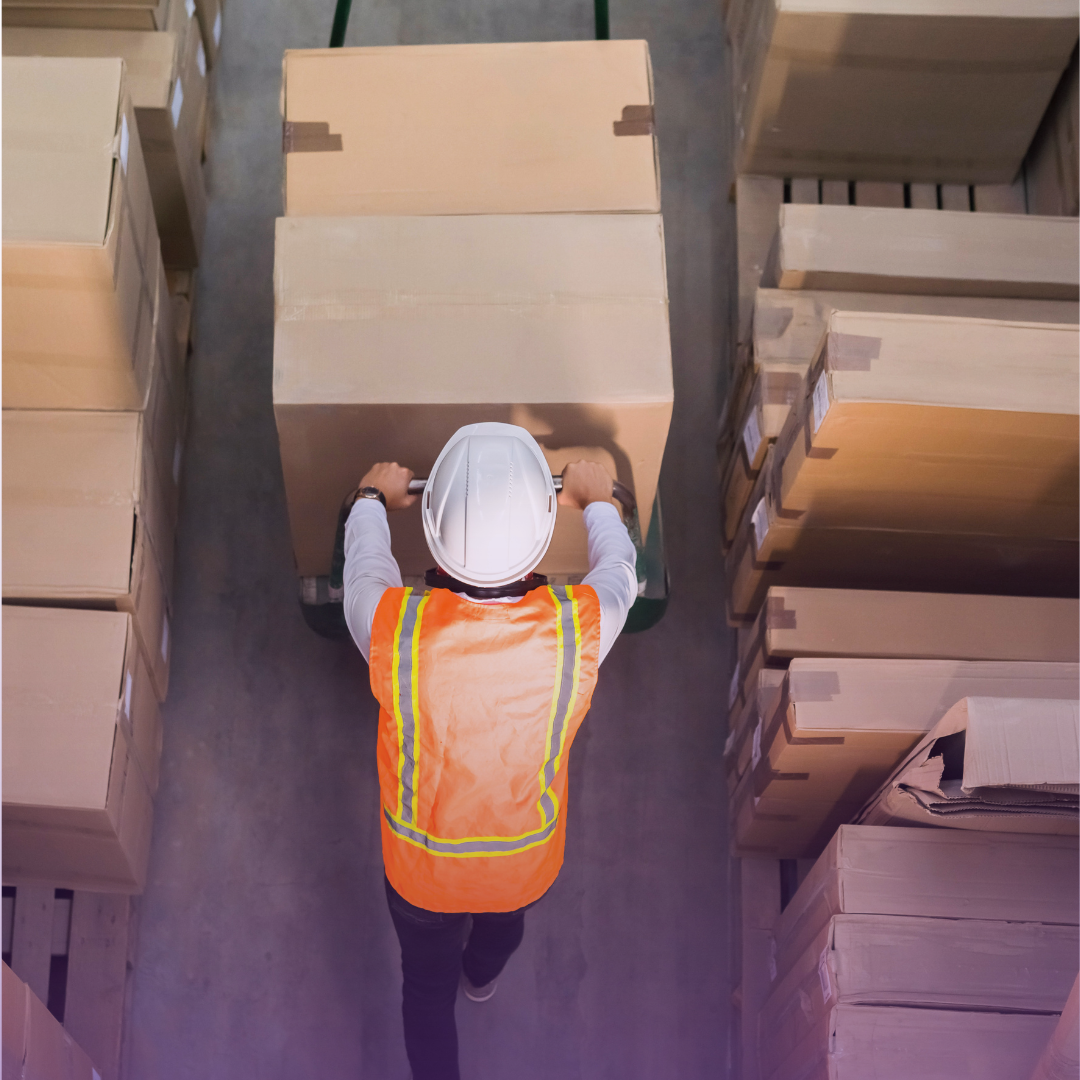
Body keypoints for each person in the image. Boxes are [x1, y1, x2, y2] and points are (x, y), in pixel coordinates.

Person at [342, 422, 638, 1080]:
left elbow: (364, 569)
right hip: (521, 863)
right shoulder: (577, 630)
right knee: (503, 930)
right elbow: (620, 574)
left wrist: (369, 498)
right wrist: (598, 500)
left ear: (438, 548)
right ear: (538, 542)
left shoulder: (395, 629)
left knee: (422, 992)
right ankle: (480, 978)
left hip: (419, 873)